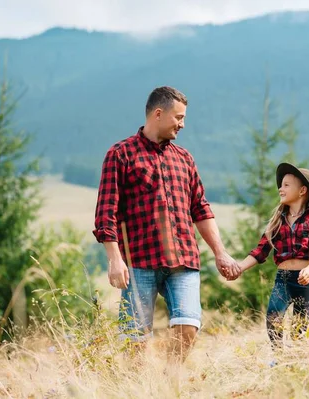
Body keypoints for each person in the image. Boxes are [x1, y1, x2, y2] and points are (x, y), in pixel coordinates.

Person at [92, 86, 241, 361]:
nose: (182, 125)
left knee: (188, 327)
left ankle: (169, 383)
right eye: (179, 117)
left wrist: (220, 252)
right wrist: (115, 259)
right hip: (138, 262)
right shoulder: (120, 155)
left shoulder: (184, 158)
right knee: (134, 342)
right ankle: (139, 389)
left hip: (183, 259)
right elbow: (105, 213)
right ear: (158, 114)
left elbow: (201, 209)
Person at [234, 162, 309, 358]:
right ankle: (278, 356)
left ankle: (295, 363)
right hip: (283, 279)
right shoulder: (277, 222)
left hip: (307, 280)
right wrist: (240, 267)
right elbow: (260, 251)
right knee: (273, 316)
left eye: (286, 185)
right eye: (281, 185)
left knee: (298, 328)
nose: (280, 189)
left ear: (302, 191)